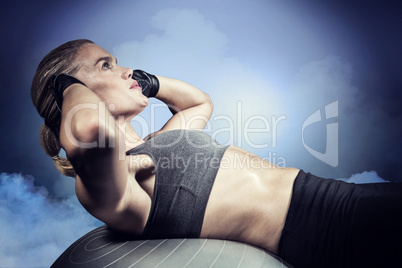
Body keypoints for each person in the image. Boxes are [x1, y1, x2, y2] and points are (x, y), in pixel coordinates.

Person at [31, 39, 402, 267]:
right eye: (106, 65)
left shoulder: (160, 142)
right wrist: (66, 85)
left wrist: (151, 83)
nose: (126, 69)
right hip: (320, 231)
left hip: (332, 197)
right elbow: (92, 129)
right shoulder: (106, 185)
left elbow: (198, 105)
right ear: (73, 91)